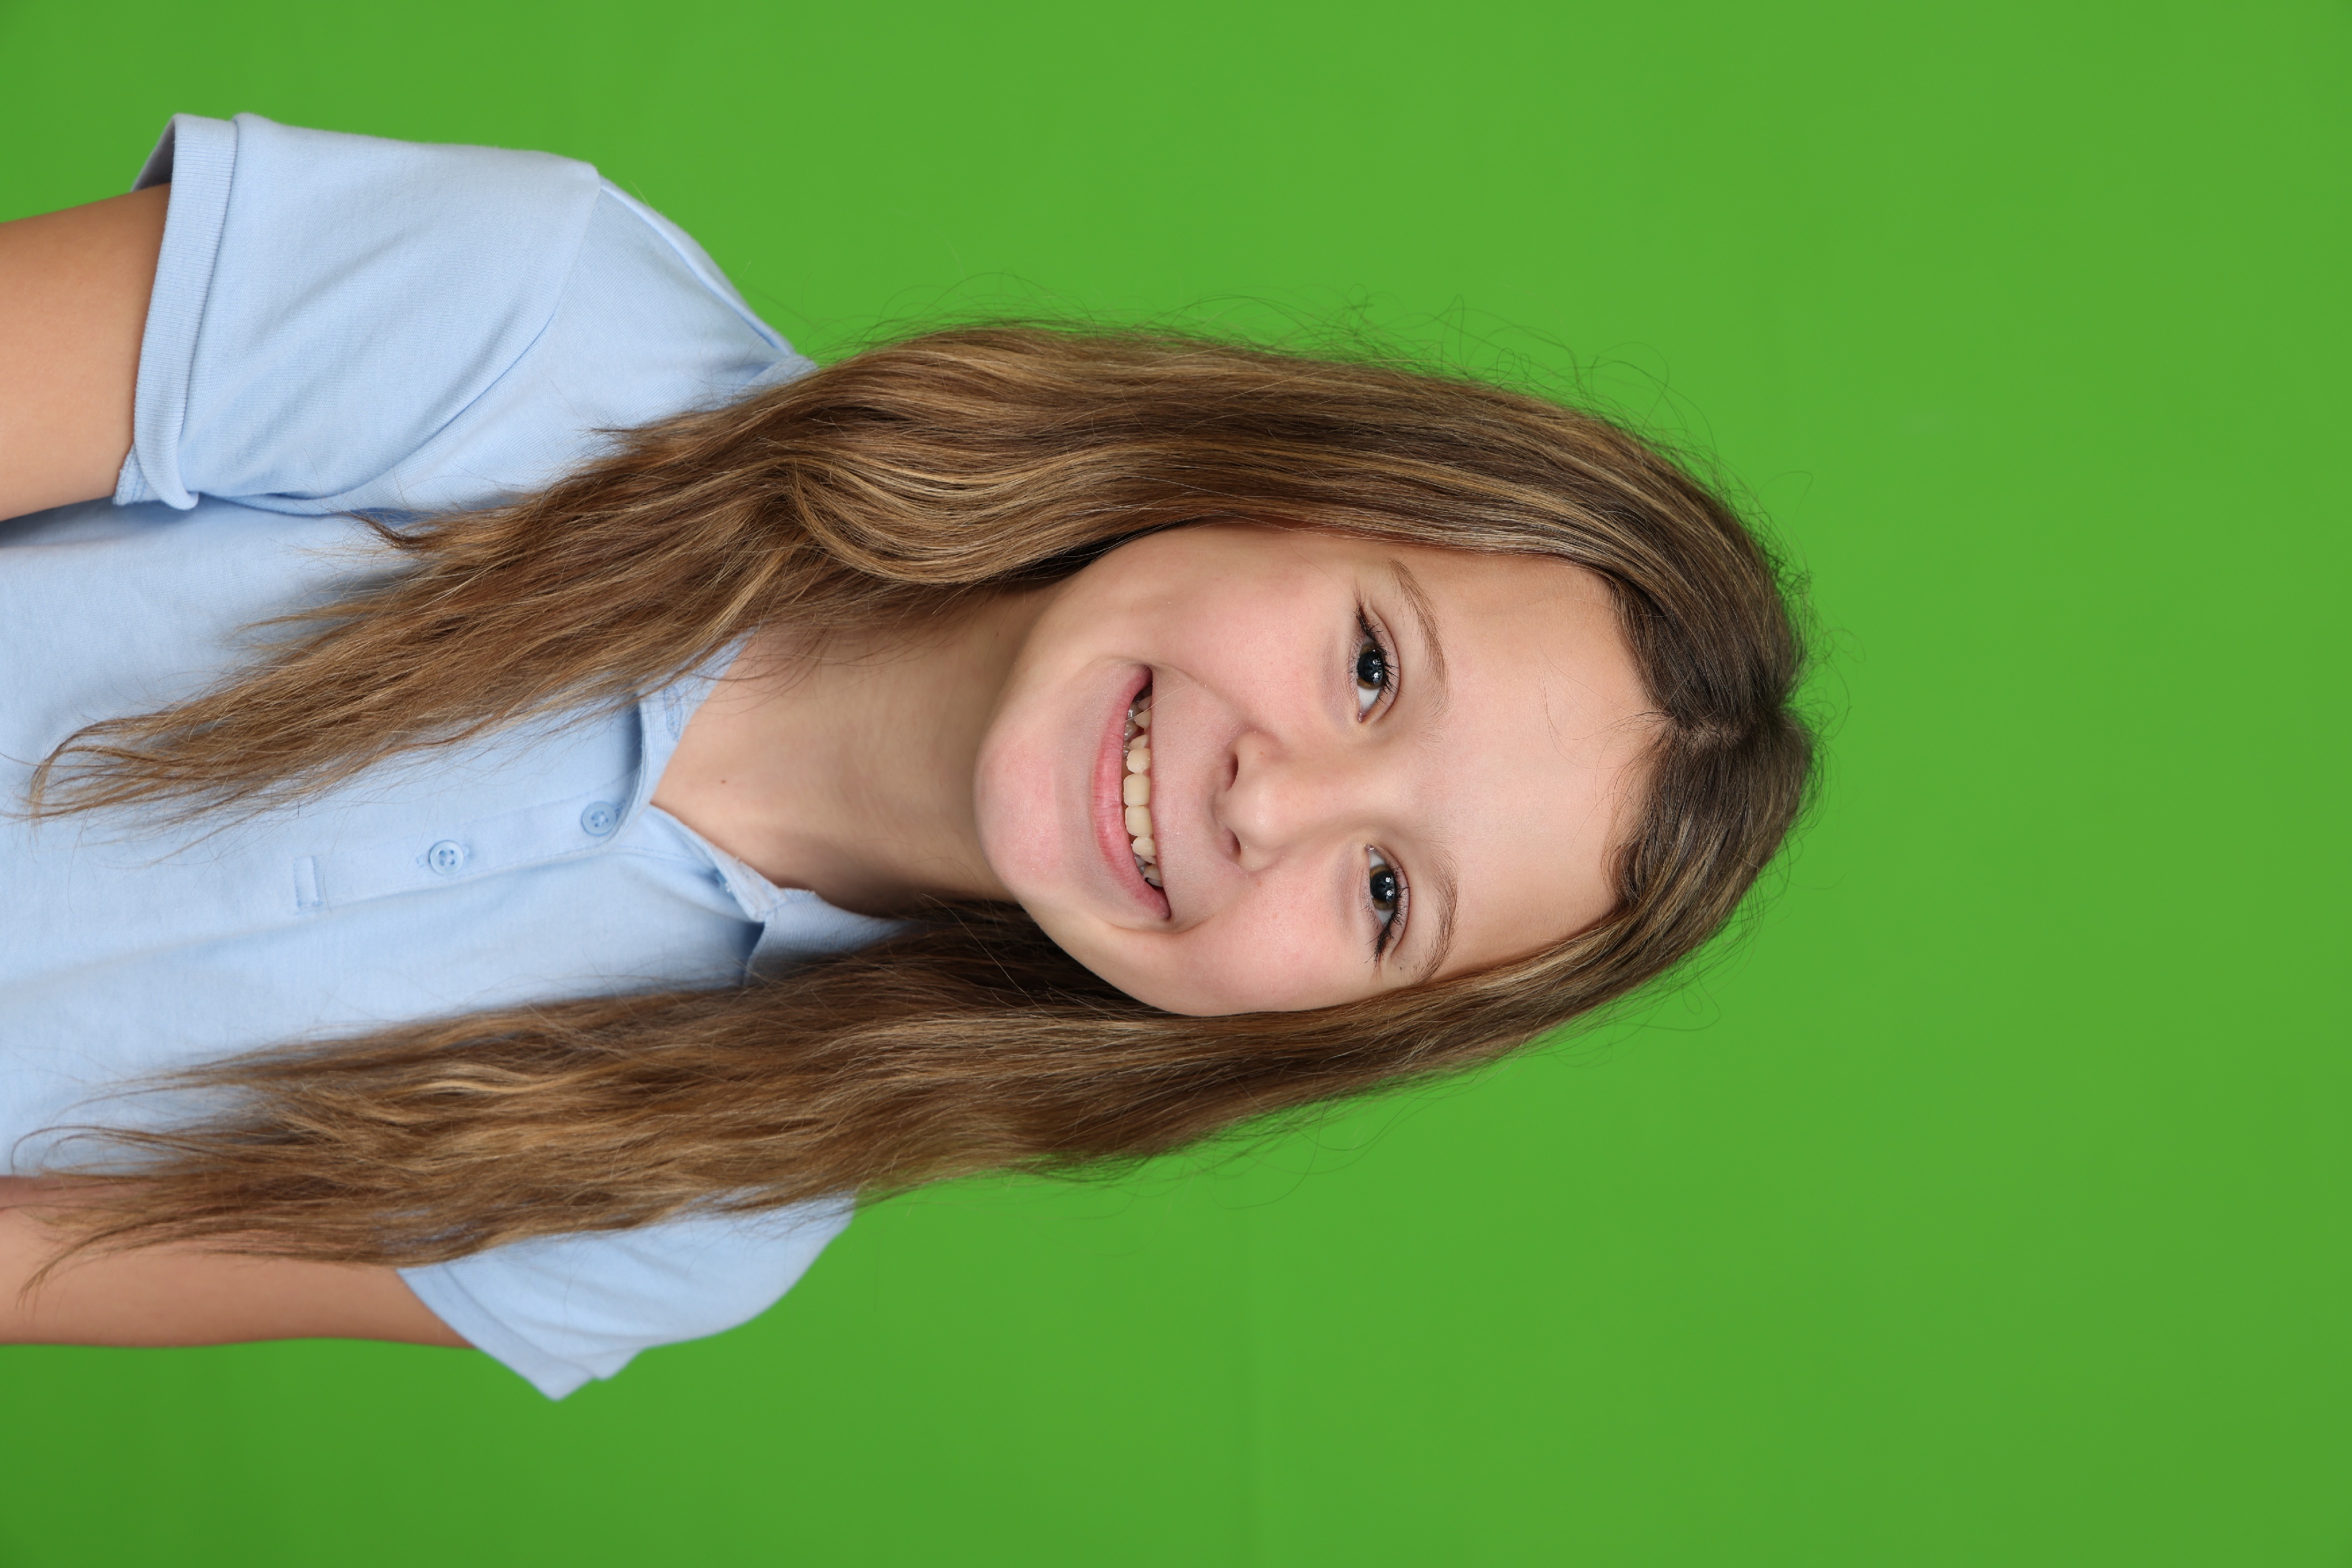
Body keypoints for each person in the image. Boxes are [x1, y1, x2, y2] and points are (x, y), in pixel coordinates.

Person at [0, 114, 1814, 1398]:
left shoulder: (689, 1221)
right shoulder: (537, 323)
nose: (1272, 802)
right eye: (1368, 665)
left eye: (1390, 894)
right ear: (1289, 483)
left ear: (1322, 1027)